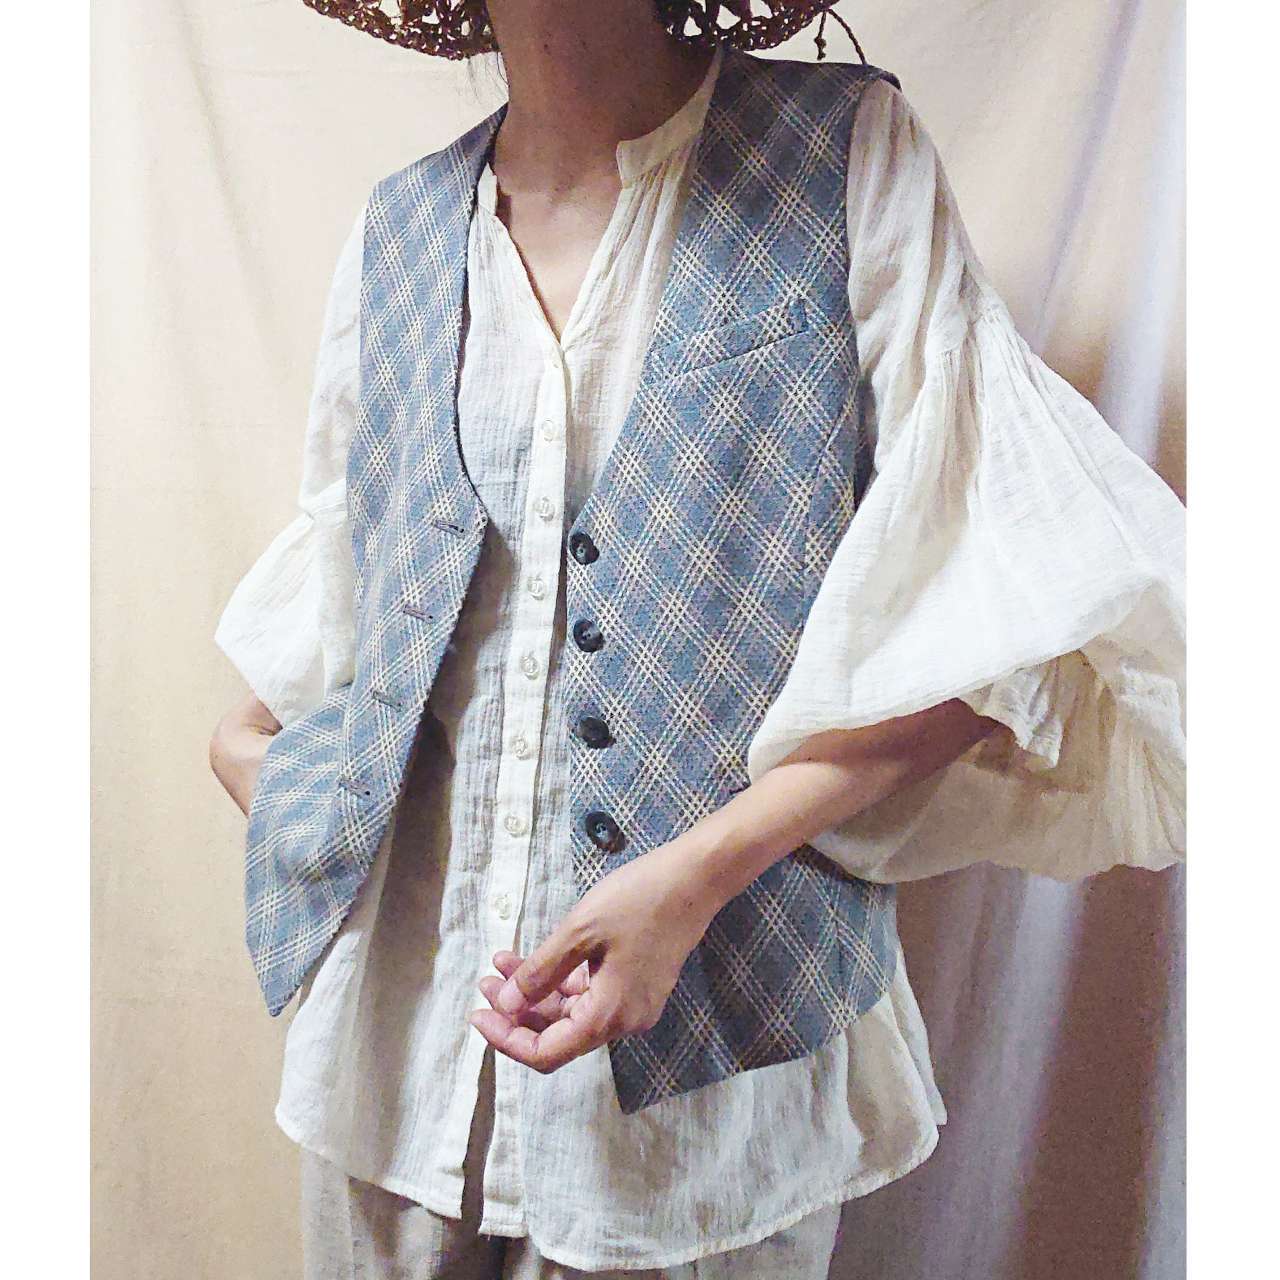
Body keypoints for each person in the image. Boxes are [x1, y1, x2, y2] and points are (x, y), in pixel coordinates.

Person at [208, 2, 1186, 1276]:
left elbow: (1010, 617)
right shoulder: (398, 229)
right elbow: (349, 621)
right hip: (397, 1061)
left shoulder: (844, 156)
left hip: (711, 1069)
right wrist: (263, 766)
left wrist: (695, 878)